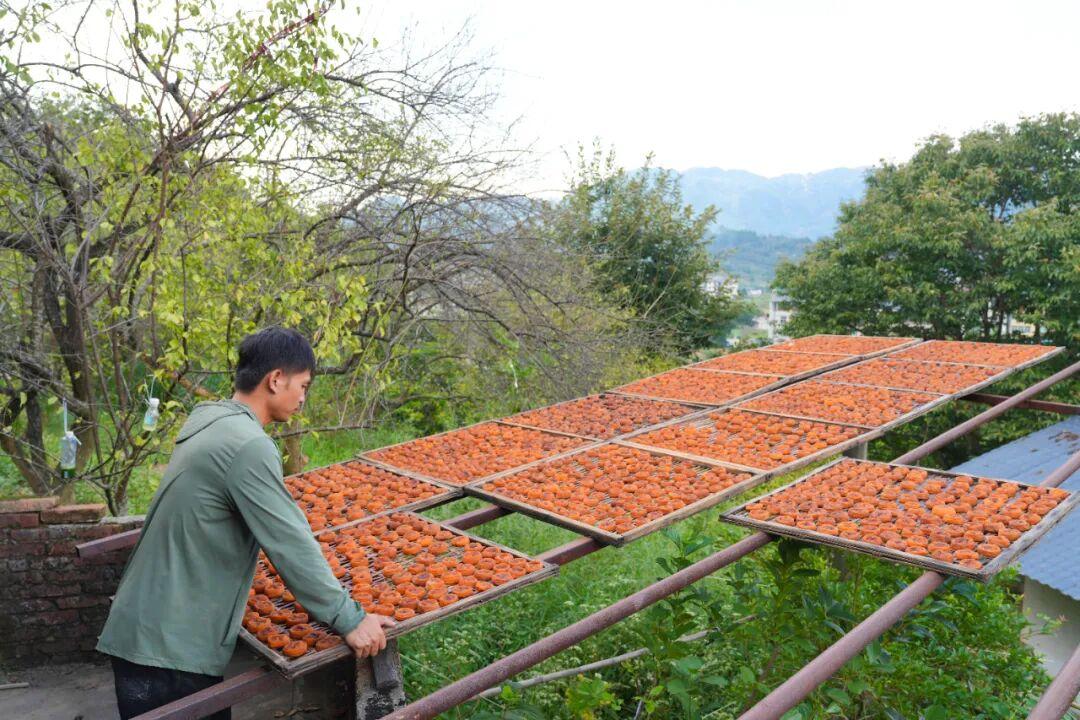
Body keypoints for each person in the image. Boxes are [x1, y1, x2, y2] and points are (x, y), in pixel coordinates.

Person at [97, 327, 394, 719]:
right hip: (168, 649)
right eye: (302, 385)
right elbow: (289, 541)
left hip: (146, 627)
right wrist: (350, 619)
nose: (304, 397)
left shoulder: (211, 420)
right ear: (275, 380)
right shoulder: (249, 445)